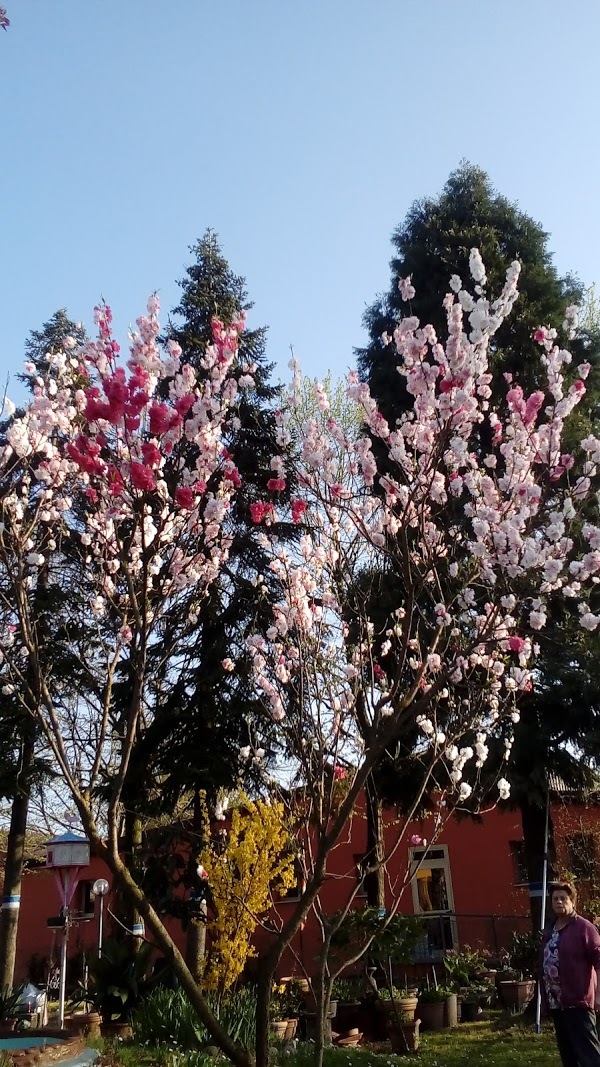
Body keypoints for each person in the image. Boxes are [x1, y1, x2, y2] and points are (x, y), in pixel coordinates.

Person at [541, 882, 600, 1067]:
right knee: (568, 1054)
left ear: (572, 902)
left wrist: (599, 995)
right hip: (557, 1002)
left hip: (578, 1001)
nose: (559, 902)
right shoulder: (550, 930)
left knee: (588, 1054)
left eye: (563, 898)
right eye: (555, 899)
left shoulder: (585, 928)